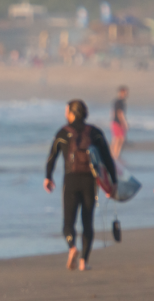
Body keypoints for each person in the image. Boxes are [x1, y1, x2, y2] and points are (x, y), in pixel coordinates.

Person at [45, 99, 116, 271]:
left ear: (71, 113)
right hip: (90, 181)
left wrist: (48, 177)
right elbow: (108, 159)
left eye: (66, 110)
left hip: (71, 180)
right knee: (87, 221)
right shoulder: (95, 133)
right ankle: (84, 261)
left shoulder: (62, 132)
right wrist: (112, 183)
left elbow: (52, 157)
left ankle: (72, 247)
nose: (65, 114)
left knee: (68, 222)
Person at [110, 85, 129, 158]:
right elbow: (119, 113)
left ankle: (114, 154)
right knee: (119, 139)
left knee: (118, 139)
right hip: (118, 122)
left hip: (115, 121)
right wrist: (124, 123)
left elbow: (112, 112)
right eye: (125, 93)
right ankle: (115, 155)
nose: (126, 95)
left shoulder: (117, 101)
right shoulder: (120, 102)